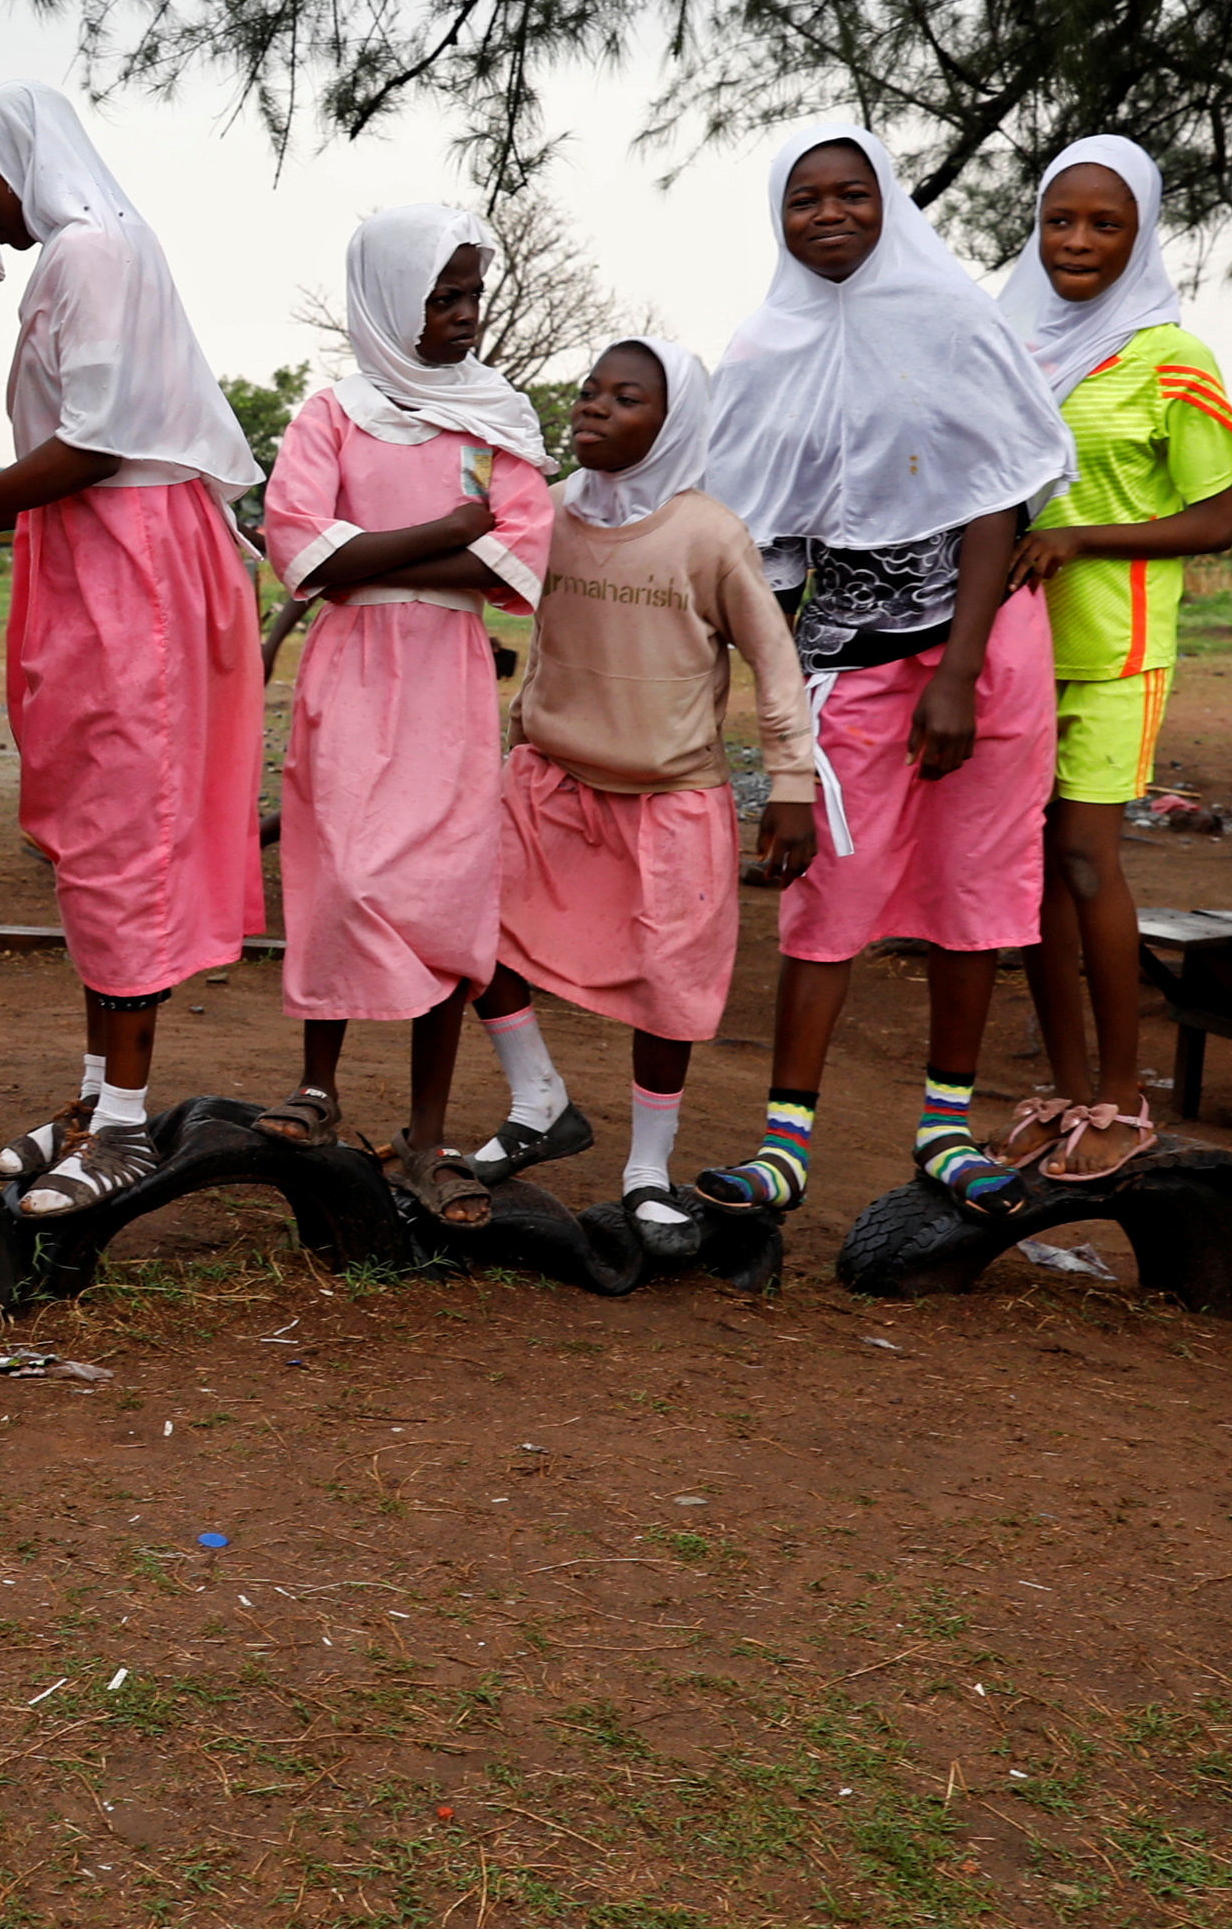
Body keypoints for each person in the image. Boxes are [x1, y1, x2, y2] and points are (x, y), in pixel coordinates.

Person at [695, 121, 1078, 1225]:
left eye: (850, 193)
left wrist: (955, 674)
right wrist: (774, 750)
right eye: (802, 199)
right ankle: (783, 1149)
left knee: (974, 891)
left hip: (980, 648)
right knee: (826, 896)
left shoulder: (953, 318)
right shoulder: (765, 349)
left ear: (888, 200)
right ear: (778, 216)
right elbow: (758, 557)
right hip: (847, 661)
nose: (828, 215)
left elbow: (994, 493)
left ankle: (944, 1131)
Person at [0, 81, 267, 1214]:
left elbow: (93, 441)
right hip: (88, 553)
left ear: (12, 162)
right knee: (91, 830)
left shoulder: (92, 251)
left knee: (126, 831)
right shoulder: (68, 258)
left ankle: (127, 1122)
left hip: (132, 561)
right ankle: (96, 1093)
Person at [468, 336, 821, 1238]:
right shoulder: (545, 515)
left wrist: (791, 782)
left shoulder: (708, 535)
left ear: (674, 427)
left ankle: (646, 1167)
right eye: (589, 391)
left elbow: (776, 664)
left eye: (625, 399)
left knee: (670, 984)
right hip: (548, 781)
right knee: (472, 933)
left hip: (670, 797)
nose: (592, 407)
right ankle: (538, 1100)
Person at [254, 207, 555, 1189]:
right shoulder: (329, 413)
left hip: (446, 671)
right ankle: (316, 1084)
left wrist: (380, 548)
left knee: (443, 887)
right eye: (441, 296)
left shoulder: (498, 413)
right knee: (338, 870)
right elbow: (299, 549)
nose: (463, 314)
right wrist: (449, 527)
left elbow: (516, 550)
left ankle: (428, 1130)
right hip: (351, 668)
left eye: (471, 294)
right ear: (388, 299)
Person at [996, 137, 1232, 1179]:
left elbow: (1215, 520)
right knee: (1025, 881)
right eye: (1060, 219)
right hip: (1011, 647)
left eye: (1104, 224)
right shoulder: (1008, 338)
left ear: (1140, 234)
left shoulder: (1169, 357)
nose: (1076, 241)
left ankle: (1121, 1093)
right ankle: (1061, 1089)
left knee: (1082, 860)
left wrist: (1082, 540)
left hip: (1113, 647)